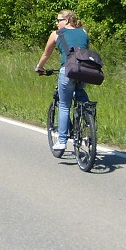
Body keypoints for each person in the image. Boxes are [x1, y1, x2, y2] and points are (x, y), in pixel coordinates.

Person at [35, 9, 90, 151]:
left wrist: (39, 67)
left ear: (66, 21)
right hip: (85, 71)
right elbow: (84, 52)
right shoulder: (83, 32)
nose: (56, 23)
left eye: (58, 20)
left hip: (67, 70)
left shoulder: (56, 34)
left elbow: (46, 54)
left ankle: (62, 141)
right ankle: (87, 121)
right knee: (80, 93)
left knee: (65, 105)